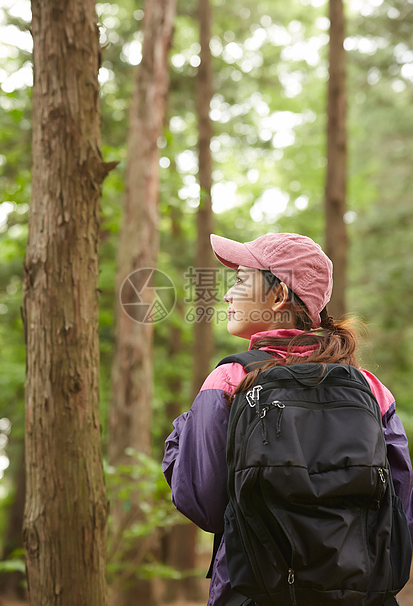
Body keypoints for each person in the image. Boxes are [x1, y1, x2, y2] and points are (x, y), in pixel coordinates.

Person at [162, 232, 413, 606]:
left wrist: (182, 433)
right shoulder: (371, 388)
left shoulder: (230, 381)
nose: (228, 295)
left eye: (241, 280)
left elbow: (204, 504)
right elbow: (401, 509)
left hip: (253, 593)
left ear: (278, 297)